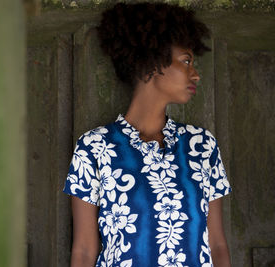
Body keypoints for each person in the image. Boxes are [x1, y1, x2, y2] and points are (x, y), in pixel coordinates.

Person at [62, 2, 232, 267]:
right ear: (154, 63)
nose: (196, 75)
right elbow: (84, 250)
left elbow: (217, 244)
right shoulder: (94, 147)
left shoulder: (202, 146)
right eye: (186, 61)